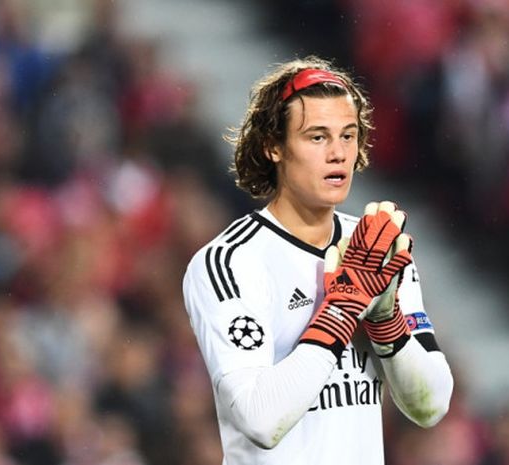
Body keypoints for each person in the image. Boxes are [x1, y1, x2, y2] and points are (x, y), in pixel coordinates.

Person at [182, 55, 453, 464]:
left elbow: (430, 405)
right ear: (273, 146)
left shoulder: (378, 250)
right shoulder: (229, 262)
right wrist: (343, 309)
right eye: (317, 137)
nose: (338, 153)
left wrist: (384, 319)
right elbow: (259, 420)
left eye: (348, 135)